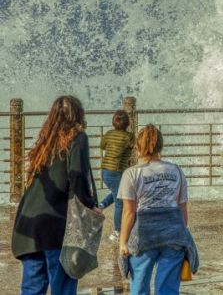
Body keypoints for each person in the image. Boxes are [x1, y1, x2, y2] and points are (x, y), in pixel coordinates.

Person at [11, 95, 101, 295]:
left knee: (32, 288)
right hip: (55, 225)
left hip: (28, 227)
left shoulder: (45, 142)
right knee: (63, 286)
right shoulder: (78, 137)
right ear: (78, 114)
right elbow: (78, 176)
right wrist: (89, 204)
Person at [118, 124, 198, 295]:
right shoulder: (177, 171)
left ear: (138, 147)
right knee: (167, 289)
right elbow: (182, 207)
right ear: (160, 146)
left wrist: (123, 242)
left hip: (144, 237)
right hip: (173, 234)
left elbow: (129, 212)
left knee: (139, 286)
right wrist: (181, 233)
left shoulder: (131, 174)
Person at [98, 109, 134, 241]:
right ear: (128, 123)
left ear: (113, 122)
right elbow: (134, 147)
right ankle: (117, 231)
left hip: (105, 171)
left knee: (117, 193)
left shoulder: (108, 134)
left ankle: (101, 206)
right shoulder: (129, 137)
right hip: (117, 172)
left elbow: (102, 146)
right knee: (120, 202)